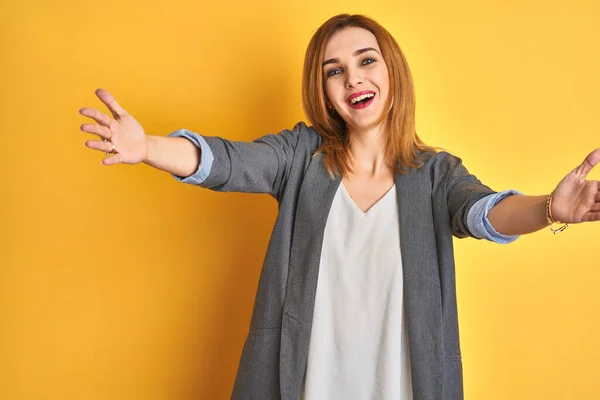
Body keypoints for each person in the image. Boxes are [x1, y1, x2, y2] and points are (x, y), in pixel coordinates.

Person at [79, 13, 600, 400]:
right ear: (325, 92)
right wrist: (148, 147)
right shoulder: (299, 157)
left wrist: (551, 209)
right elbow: (231, 161)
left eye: (366, 60)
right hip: (301, 385)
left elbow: (483, 212)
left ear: (391, 70)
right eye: (335, 71)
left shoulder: (435, 174)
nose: (354, 79)